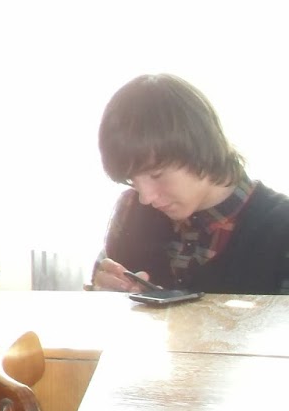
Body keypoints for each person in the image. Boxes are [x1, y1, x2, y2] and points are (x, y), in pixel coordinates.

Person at [92, 73, 289, 295]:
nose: (145, 197)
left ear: (200, 148)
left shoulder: (281, 228)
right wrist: (103, 295)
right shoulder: (130, 210)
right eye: (132, 180)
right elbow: (98, 297)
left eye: (156, 175)